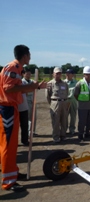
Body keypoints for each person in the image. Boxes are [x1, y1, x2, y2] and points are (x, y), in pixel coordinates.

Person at [0, 44, 46, 191]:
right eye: (29, 54)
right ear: (24, 55)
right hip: (6, 109)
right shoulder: (13, 67)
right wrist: (32, 87)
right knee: (7, 145)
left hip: (12, 108)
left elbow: (16, 88)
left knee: (13, 145)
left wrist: (35, 86)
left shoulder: (17, 68)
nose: (30, 57)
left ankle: (13, 173)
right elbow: (9, 88)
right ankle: (8, 181)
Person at [45, 67, 69, 143]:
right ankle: (56, 137)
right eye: (56, 73)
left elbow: (67, 93)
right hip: (55, 103)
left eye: (59, 73)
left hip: (64, 103)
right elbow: (47, 96)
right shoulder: (50, 84)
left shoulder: (64, 83)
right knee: (56, 121)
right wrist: (52, 103)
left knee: (64, 120)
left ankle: (63, 136)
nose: (58, 75)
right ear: (53, 74)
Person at [74, 66, 90, 141]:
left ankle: (87, 133)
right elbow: (75, 94)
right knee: (82, 121)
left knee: (89, 121)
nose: (88, 75)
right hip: (82, 106)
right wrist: (80, 100)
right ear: (84, 74)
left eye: (89, 74)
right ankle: (80, 134)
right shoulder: (80, 83)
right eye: (87, 74)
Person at [22, 68, 38, 136]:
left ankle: (33, 131)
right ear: (23, 74)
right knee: (27, 117)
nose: (28, 75)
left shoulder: (32, 81)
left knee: (34, 116)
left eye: (29, 74)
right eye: (27, 74)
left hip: (33, 99)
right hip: (26, 100)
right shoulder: (22, 82)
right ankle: (28, 131)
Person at [64, 68, 77, 134]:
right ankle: (64, 129)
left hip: (73, 101)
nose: (67, 74)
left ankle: (72, 129)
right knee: (65, 116)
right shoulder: (63, 82)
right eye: (66, 73)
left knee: (73, 116)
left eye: (69, 73)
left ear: (72, 75)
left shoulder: (76, 83)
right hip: (65, 101)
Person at [18, 70, 29, 146]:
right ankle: (14, 142)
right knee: (15, 127)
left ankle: (24, 140)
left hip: (24, 107)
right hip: (16, 108)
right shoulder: (14, 83)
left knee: (25, 125)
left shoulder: (23, 82)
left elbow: (27, 93)